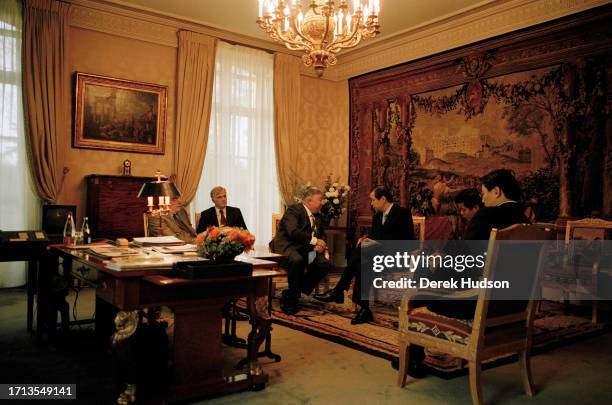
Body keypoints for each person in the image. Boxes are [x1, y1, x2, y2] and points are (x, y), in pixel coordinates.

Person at [399, 169, 529, 378]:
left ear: (496, 191)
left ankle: (412, 355)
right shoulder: (527, 222)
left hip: (475, 306)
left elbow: (463, 261)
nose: (483, 199)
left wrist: (436, 268)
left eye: (484, 193)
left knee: (424, 269)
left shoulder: (486, 215)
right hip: (509, 307)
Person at [315, 187, 413, 324]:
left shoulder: (403, 214)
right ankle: (364, 309)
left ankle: (339, 290)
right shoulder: (377, 216)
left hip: (397, 258)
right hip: (377, 258)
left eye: (373, 200)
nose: (371, 203)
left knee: (362, 251)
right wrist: (367, 239)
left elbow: (406, 241)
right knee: (363, 265)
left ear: (383, 199)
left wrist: (377, 243)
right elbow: (375, 236)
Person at [270, 187, 331, 315]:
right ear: (309, 200)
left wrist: (321, 244)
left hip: (307, 250)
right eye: (320, 199)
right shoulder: (294, 210)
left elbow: (322, 234)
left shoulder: (318, 216)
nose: (322, 202)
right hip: (288, 246)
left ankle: (294, 292)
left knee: (323, 264)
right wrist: (315, 241)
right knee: (297, 260)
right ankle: (291, 301)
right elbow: (293, 232)